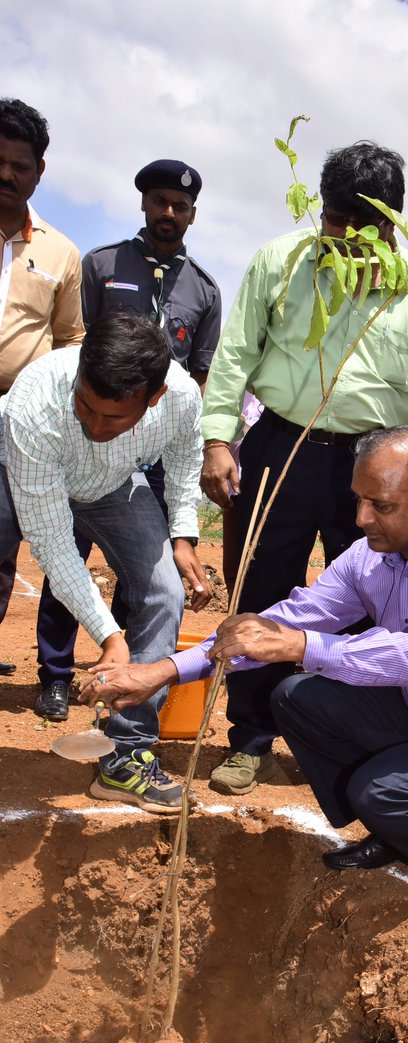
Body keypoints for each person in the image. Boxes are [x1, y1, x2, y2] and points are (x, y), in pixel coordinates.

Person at [82, 427, 408, 913]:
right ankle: (403, 831)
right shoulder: (370, 557)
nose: (361, 518)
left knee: (381, 790)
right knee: (297, 698)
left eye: (381, 505)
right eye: (359, 500)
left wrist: (298, 645)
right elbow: (282, 622)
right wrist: (161, 672)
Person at [199, 141, 408, 796]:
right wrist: (217, 439)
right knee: (260, 593)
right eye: (333, 223)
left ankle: (350, 747)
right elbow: (233, 355)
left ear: (392, 223)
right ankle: (250, 739)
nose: (343, 241)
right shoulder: (280, 263)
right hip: (282, 450)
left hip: (378, 470)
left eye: (361, 229)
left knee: (377, 607)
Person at [0, 312, 211, 814]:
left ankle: (126, 756)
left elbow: (184, 460)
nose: (94, 424)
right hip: (17, 472)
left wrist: (182, 534)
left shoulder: (180, 397)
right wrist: (110, 635)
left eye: (114, 417)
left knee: (165, 591)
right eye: (85, 406)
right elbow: (51, 541)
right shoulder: (35, 403)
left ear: (153, 398)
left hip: (114, 486)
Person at [34, 159, 222, 722]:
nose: (169, 213)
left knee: (145, 571)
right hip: (91, 437)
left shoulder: (205, 291)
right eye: (161, 202)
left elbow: (203, 377)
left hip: (160, 446)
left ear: (193, 215)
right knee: (66, 551)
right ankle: (56, 675)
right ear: (145, 204)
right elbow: (73, 347)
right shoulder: (101, 266)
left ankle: (123, 682)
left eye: (181, 206)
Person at [0, 97, 84, 674]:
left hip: (14, 417)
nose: (6, 174)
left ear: (39, 171)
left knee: (2, 539)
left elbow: (72, 341)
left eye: (20, 166)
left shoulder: (60, 252)